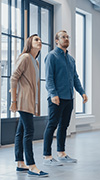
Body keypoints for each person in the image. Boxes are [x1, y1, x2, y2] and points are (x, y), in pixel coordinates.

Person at [43, 30, 88, 166]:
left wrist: (82, 92)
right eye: (63, 37)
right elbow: (49, 78)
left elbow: (75, 78)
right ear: (57, 41)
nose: (66, 39)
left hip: (69, 98)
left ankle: (61, 153)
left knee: (64, 126)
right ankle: (47, 156)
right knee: (52, 125)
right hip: (56, 98)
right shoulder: (51, 56)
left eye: (67, 37)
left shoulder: (71, 59)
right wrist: (53, 94)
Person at [10, 34, 48, 177]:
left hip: (30, 101)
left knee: (21, 131)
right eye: (36, 39)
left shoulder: (35, 62)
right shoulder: (25, 57)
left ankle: (20, 163)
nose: (40, 41)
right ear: (29, 43)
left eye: (40, 40)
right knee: (29, 131)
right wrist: (13, 101)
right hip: (23, 100)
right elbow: (14, 78)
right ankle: (32, 165)